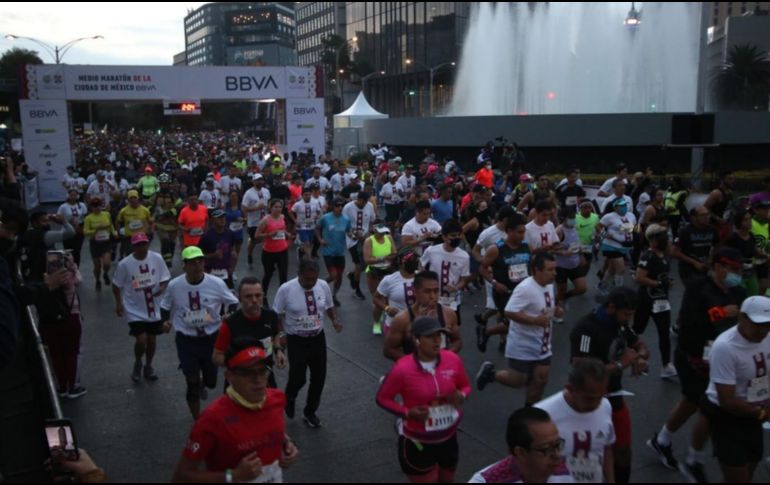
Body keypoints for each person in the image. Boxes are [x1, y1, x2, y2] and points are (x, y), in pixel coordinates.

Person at [646, 247, 746, 482]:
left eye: (740, 270)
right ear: (718, 267)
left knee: (693, 403)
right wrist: (720, 313)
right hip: (694, 356)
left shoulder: (738, 291)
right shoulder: (698, 288)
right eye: (733, 269)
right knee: (708, 405)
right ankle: (693, 458)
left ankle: (664, 441)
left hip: (723, 358)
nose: (738, 274)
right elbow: (688, 323)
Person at [172, 338, 299, 483]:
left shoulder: (277, 398)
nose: (258, 379)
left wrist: (287, 443)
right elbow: (181, 477)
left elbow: (269, 426)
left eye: (262, 370)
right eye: (247, 373)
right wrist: (233, 476)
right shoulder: (212, 419)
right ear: (229, 377)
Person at [376, 316, 471, 484]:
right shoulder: (402, 369)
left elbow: (465, 386)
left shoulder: (452, 359)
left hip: (448, 439)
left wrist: (461, 396)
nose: (437, 341)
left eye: (439, 335)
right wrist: (407, 413)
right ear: (416, 339)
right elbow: (383, 398)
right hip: (418, 443)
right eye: (430, 336)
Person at [570, 287, 649, 484]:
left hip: (614, 396)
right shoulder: (586, 329)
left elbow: (639, 344)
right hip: (587, 401)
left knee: (623, 451)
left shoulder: (620, 324)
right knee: (587, 460)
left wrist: (640, 356)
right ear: (611, 307)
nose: (629, 319)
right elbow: (582, 370)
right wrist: (620, 364)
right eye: (626, 314)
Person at [160, 246, 239, 419]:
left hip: (211, 339)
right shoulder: (175, 285)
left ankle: (204, 383)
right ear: (184, 265)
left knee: (211, 382)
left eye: (200, 261)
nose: (197, 265)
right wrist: (164, 322)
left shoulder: (216, 283)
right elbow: (165, 305)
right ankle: (197, 420)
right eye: (192, 263)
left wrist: (230, 314)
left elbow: (233, 301)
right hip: (186, 340)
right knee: (192, 382)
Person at [476, 253, 562, 407]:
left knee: (541, 379)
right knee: (518, 381)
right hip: (523, 344)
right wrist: (535, 321)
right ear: (536, 270)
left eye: (554, 269)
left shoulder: (549, 284)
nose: (554, 273)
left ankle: (529, 412)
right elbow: (510, 311)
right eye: (550, 270)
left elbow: (545, 305)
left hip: (543, 344)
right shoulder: (525, 288)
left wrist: (555, 310)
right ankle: (491, 374)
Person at [702, 296, 770, 482]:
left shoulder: (767, 335)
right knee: (738, 476)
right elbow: (727, 400)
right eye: (758, 324)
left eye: (768, 324)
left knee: (750, 467)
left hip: (755, 413)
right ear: (742, 318)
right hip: (728, 418)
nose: (763, 330)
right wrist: (761, 413)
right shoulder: (725, 347)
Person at [272, 259, 343, 428]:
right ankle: (290, 397)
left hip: (317, 338)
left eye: (314, 279)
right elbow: (276, 314)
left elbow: (329, 306)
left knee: (319, 378)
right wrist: (281, 334)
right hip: (296, 340)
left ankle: (310, 412)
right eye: (307, 279)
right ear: (299, 275)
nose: (310, 282)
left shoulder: (323, 286)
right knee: (298, 378)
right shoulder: (286, 289)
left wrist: (334, 320)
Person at [535, 359, 616, 483]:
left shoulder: (605, 406)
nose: (596, 404)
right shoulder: (542, 414)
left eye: (601, 397)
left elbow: (606, 447)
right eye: (589, 398)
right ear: (570, 388)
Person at [111, 232, 171, 383]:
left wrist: (162, 288)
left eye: (144, 244)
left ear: (148, 244)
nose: (142, 247)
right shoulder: (125, 264)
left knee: (152, 339)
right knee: (142, 339)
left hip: (153, 307)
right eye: (138, 245)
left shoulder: (157, 258)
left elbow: (165, 277)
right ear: (133, 246)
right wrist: (118, 303)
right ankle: (138, 362)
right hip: (134, 308)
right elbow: (116, 285)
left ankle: (148, 366)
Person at [212, 278, 287, 389]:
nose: (254, 300)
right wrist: (240, 362)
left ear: (263, 296)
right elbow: (216, 356)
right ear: (240, 299)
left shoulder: (271, 316)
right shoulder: (230, 324)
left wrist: (279, 351)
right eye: (248, 296)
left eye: (258, 295)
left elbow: (275, 335)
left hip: (265, 376)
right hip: (239, 380)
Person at [469, 407, 572, 483]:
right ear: (521, 453)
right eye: (546, 449)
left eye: (557, 444)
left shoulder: (572, 470)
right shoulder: (486, 481)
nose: (557, 455)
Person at [476, 213, 532, 353]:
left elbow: (531, 267)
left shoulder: (527, 247)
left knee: (518, 322)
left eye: (524, 232)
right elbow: (482, 268)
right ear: (509, 231)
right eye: (519, 232)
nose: (522, 235)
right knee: (515, 322)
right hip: (504, 292)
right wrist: (494, 283)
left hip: (523, 291)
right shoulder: (496, 249)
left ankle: (486, 332)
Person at [384, 271, 462, 362]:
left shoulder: (449, 314)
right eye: (427, 291)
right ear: (415, 292)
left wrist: (446, 357)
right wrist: (415, 364)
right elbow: (388, 350)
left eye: (436, 291)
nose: (432, 296)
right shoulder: (402, 319)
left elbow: (457, 341)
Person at [632, 224, 676, 379]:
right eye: (661, 236)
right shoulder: (648, 256)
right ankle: (627, 356)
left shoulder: (665, 255)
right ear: (652, 239)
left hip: (662, 301)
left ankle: (666, 365)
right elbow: (639, 277)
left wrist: (666, 283)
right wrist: (657, 284)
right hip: (646, 300)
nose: (665, 239)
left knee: (664, 332)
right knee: (637, 329)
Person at [420, 219, 472, 326]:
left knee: (452, 327)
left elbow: (464, 280)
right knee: (432, 327)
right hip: (433, 299)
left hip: (452, 300)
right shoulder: (431, 251)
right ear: (444, 237)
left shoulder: (464, 256)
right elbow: (421, 265)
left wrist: (456, 287)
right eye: (453, 235)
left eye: (459, 235)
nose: (456, 238)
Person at [374, 247, 419, 335]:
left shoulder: (423, 277)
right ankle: (376, 322)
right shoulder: (389, 280)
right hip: (395, 326)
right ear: (400, 262)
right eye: (410, 260)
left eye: (415, 259)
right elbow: (376, 298)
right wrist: (387, 308)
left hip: (417, 326)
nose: (413, 262)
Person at [316, 198, 352, 307]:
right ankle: (318, 285)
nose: (340, 208)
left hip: (340, 252)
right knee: (333, 276)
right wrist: (320, 240)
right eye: (337, 206)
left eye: (341, 206)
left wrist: (352, 234)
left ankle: (334, 295)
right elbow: (317, 228)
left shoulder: (346, 219)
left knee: (339, 276)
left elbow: (349, 231)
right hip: (328, 252)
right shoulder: (326, 218)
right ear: (333, 207)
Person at [596, 199, 636, 294]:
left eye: (624, 205)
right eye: (621, 206)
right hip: (611, 246)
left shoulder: (631, 215)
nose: (624, 207)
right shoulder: (609, 216)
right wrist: (604, 234)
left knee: (612, 269)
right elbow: (598, 226)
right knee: (621, 269)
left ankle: (602, 285)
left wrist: (635, 235)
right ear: (615, 207)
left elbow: (635, 228)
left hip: (625, 246)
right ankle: (619, 292)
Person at [671, 206, 718, 287]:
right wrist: (694, 262)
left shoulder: (712, 229)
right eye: (702, 215)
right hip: (689, 269)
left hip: (705, 266)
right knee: (696, 289)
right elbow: (674, 251)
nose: (707, 217)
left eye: (708, 214)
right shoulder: (685, 231)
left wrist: (711, 258)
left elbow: (717, 245)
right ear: (693, 218)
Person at [554, 207, 587, 324]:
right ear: (563, 218)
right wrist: (563, 253)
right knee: (561, 290)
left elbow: (577, 243)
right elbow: (552, 249)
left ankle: (563, 299)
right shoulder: (559, 231)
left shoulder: (575, 228)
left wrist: (581, 255)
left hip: (575, 264)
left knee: (582, 288)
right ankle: (555, 311)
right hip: (561, 266)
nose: (573, 220)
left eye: (574, 217)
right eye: (570, 218)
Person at [343, 192, 376, 300]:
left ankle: (353, 275)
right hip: (352, 240)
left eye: (366, 202)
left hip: (365, 238)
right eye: (362, 201)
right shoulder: (348, 207)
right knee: (358, 265)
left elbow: (371, 221)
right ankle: (356, 290)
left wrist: (369, 233)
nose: (364, 204)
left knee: (365, 264)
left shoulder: (369, 206)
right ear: (358, 199)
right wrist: (352, 234)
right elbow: (344, 224)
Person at [256, 199, 293, 298]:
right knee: (268, 275)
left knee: (283, 275)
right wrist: (269, 234)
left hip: (282, 250)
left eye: (280, 207)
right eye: (275, 207)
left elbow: (282, 229)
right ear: (270, 208)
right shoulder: (265, 220)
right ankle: (263, 296)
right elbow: (257, 235)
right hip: (269, 252)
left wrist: (287, 234)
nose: (278, 209)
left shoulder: (282, 217)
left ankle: (283, 297)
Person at [363, 224, 396, 334]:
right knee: (378, 300)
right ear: (375, 230)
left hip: (388, 270)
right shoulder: (369, 241)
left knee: (388, 298)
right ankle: (376, 323)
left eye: (384, 232)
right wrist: (383, 258)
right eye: (380, 232)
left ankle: (384, 313)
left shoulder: (389, 237)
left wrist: (389, 258)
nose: (382, 234)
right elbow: (367, 260)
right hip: (374, 272)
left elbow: (394, 253)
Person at [83, 197, 117, 291]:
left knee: (107, 263)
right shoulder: (88, 218)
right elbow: (85, 232)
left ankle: (105, 273)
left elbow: (111, 225)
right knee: (97, 266)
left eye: (98, 205)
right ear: (91, 207)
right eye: (94, 206)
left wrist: (114, 233)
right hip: (95, 243)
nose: (97, 208)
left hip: (106, 242)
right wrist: (97, 229)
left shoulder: (106, 214)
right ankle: (98, 280)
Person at [198, 209, 237, 288]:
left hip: (225, 272)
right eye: (219, 217)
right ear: (212, 220)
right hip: (210, 272)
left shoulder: (230, 233)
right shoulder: (206, 236)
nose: (222, 219)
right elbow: (199, 256)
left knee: (230, 294)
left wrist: (232, 269)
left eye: (223, 217)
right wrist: (213, 255)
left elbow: (232, 249)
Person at [242, 173, 271, 268]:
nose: (260, 182)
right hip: (254, 222)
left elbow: (269, 203)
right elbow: (244, 207)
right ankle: (249, 254)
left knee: (267, 238)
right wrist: (256, 208)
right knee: (254, 241)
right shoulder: (249, 193)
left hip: (265, 220)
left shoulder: (266, 191)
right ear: (253, 182)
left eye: (261, 180)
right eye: (258, 180)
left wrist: (269, 208)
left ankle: (268, 259)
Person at [115, 190, 154, 260]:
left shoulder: (145, 210)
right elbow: (118, 222)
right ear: (128, 200)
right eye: (131, 198)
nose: (133, 200)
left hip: (142, 237)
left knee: (143, 255)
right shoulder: (123, 211)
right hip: (129, 237)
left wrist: (150, 232)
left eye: (134, 198)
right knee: (131, 256)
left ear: (138, 198)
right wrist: (118, 232)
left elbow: (151, 222)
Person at [58, 189, 87, 267]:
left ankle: (76, 268)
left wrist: (81, 226)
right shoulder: (63, 206)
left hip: (79, 231)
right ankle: (67, 268)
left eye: (75, 195)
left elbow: (85, 217)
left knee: (77, 251)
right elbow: (58, 217)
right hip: (67, 231)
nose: (73, 197)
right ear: (68, 196)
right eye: (71, 195)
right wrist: (66, 222)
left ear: (77, 196)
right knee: (68, 252)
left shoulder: (82, 205)